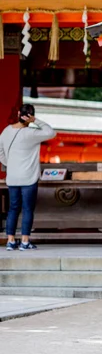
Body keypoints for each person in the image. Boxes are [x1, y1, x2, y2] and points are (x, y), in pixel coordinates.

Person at [0, 104, 56, 250]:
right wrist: (35, 121)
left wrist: (10, 164)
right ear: (30, 117)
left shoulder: (6, 131)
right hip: (28, 177)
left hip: (12, 177)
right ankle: (25, 241)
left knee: (13, 208)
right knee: (27, 209)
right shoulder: (32, 133)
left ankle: (10, 241)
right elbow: (51, 132)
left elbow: (0, 152)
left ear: (18, 113)